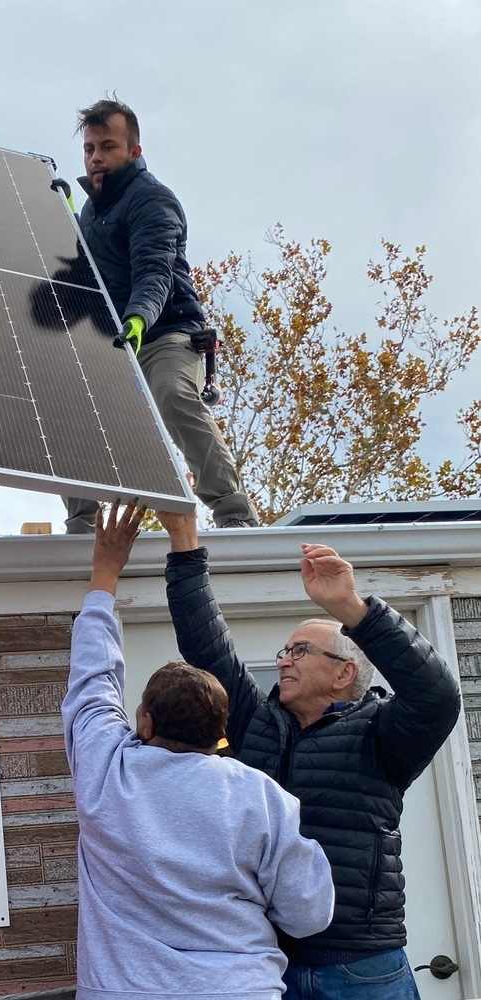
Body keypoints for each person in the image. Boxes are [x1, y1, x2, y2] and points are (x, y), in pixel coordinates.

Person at [158, 507, 462, 999]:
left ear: (344, 672)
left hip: (361, 965)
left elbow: (438, 695)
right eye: (283, 649)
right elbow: (206, 646)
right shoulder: (255, 722)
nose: (283, 659)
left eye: (299, 650)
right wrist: (184, 545)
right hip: (266, 963)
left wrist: (354, 612)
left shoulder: (381, 733)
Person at [63, 501, 334, 1000]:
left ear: (142, 721)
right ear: (220, 732)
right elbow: (308, 914)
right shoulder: (263, 798)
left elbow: (92, 681)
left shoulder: (106, 770)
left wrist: (105, 572)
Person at [61, 97, 257, 532]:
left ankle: (233, 513)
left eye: (107, 147)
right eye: (90, 148)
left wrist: (138, 320)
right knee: (70, 403)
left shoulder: (153, 201)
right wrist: (58, 224)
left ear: (133, 150)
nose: (96, 157)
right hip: (115, 339)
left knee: (172, 392)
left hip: (166, 331)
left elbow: (155, 272)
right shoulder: (92, 212)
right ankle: (82, 522)